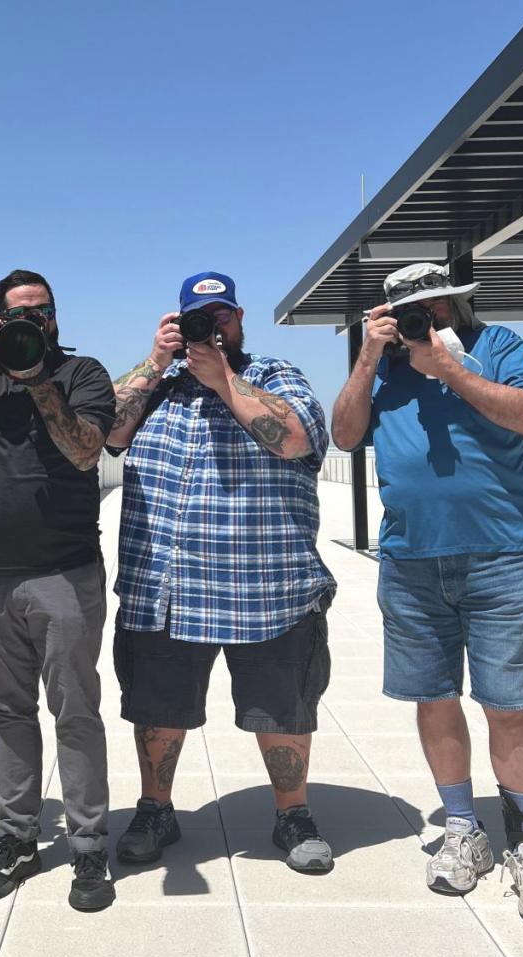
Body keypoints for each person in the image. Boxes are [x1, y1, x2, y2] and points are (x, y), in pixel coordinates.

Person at [331, 262, 523, 925]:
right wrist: (368, 356)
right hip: (411, 560)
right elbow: (346, 434)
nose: (424, 324)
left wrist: (450, 371)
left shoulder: (501, 348)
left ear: (453, 304)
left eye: (432, 310)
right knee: (433, 699)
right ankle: (462, 827)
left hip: (500, 554)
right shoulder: (384, 365)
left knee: (510, 703)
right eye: (411, 315)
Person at [108, 271, 337, 872]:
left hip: (266, 584)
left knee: (284, 707)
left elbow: (295, 438)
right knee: (156, 707)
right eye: (198, 320)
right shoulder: (160, 384)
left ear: (239, 320)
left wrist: (223, 377)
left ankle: (293, 813)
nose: (213, 329)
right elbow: (102, 431)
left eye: (223, 317)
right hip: (165, 584)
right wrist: (155, 362)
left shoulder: (274, 374)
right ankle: (156, 809)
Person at [0, 269, 117, 911]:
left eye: (39, 311)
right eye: (17, 313)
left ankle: (88, 847)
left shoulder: (82, 374)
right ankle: (17, 837)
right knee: (9, 712)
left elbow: (86, 451)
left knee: (77, 712)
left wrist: (37, 382)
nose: (30, 321)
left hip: (65, 571)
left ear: (55, 315)